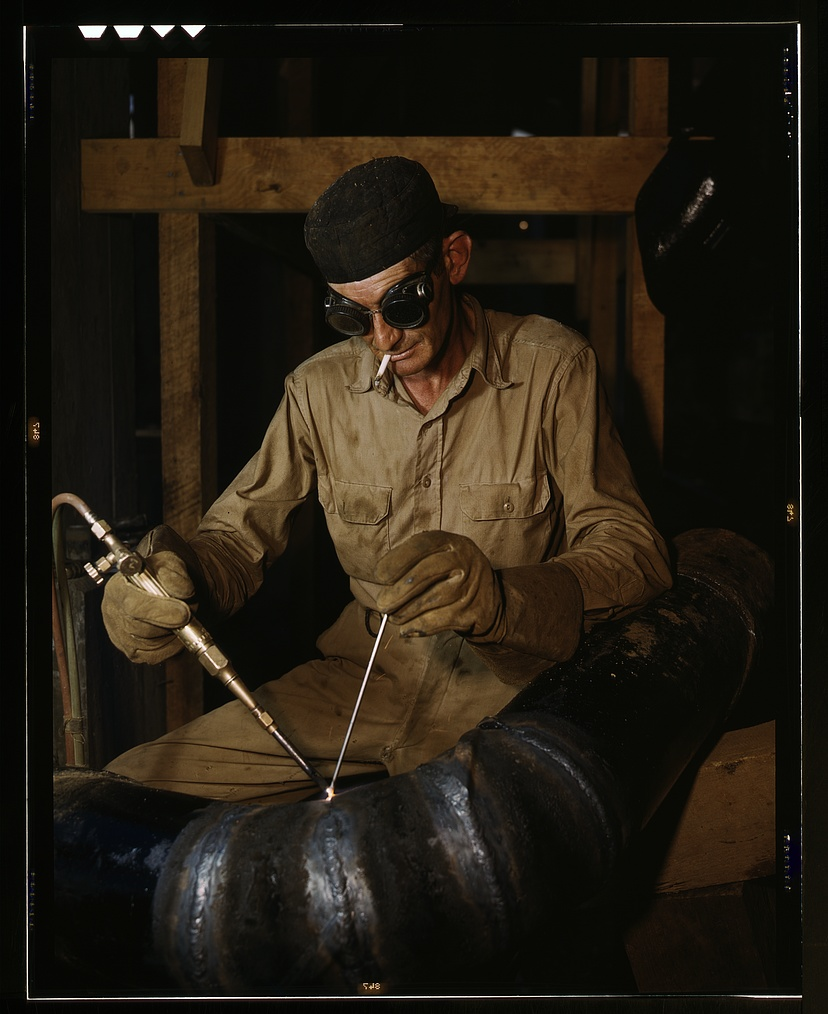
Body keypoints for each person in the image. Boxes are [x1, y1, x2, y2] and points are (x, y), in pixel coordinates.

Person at [101, 156, 673, 804]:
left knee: (469, 858)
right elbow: (235, 541)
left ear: (453, 261)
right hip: (364, 681)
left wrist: (502, 601)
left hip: (513, 689)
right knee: (130, 796)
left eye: (402, 303)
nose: (381, 339)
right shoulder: (318, 390)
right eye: (352, 316)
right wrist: (169, 578)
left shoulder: (553, 369)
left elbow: (634, 552)